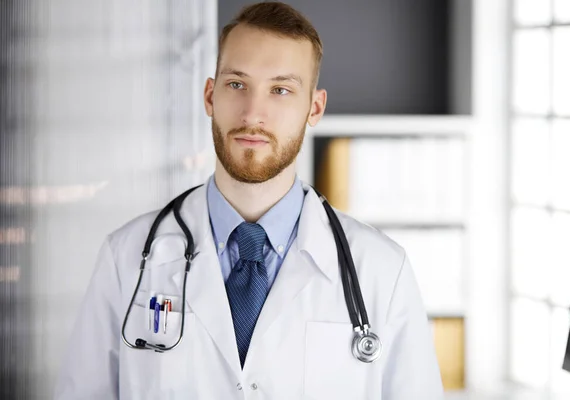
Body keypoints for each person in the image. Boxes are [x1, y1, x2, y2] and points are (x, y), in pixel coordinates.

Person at [54, 2, 443, 399]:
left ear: (315, 107)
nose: (253, 112)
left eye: (281, 90)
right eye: (237, 84)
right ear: (210, 96)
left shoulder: (381, 271)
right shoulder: (127, 257)